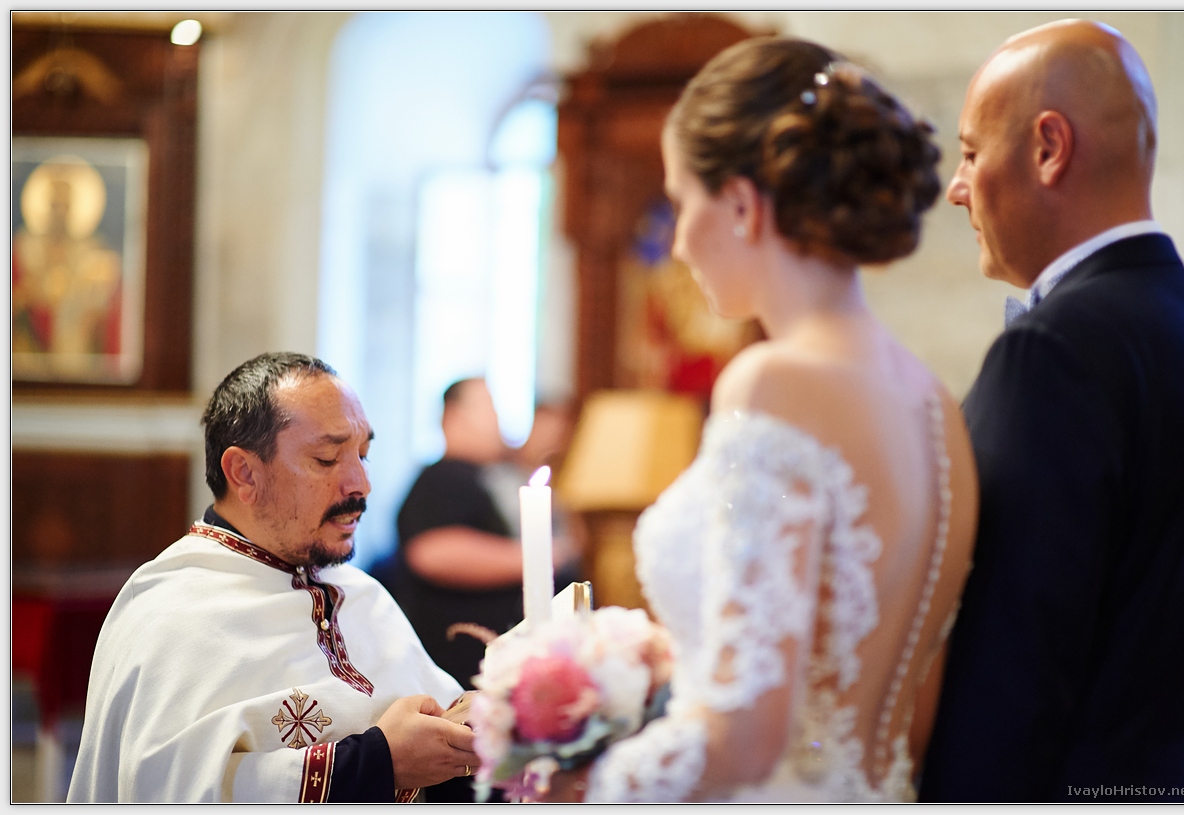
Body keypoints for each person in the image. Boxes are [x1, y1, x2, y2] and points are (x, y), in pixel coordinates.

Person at [543, 36, 979, 802]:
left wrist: (583, 782)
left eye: (683, 203)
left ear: (742, 204)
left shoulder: (773, 380)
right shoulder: (933, 402)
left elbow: (744, 734)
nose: (678, 244)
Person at [917, 20, 1184, 803]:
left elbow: (1009, 671)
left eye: (969, 153)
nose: (956, 187)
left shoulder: (1052, 354)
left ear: (1047, 147)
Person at [68, 352, 479, 803]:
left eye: (363, 455)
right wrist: (378, 761)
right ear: (244, 473)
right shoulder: (171, 615)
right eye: (327, 459)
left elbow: (447, 738)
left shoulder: (363, 594)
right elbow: (166, 792)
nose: (361, 483)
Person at [372, 379, 578, 694]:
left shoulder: (484, 474)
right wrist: (538, 556)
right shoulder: (443, 477)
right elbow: (433, 552)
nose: (498, 420)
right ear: (454, 416)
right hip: (465, 671)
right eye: (489, 408)